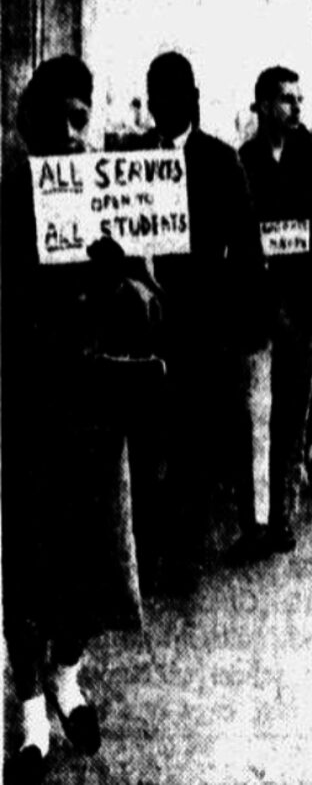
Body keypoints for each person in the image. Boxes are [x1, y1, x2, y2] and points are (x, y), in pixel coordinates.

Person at [2, 57, 162, 784]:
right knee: (30, 564)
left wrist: (118, 269)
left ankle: (68, 679)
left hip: (95, 410)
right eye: (61, 118)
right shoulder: (7, 193)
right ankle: (31, 709)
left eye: (82, 119)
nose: (74, 134)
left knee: (95, 559)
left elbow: (152, 306)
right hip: (29, 409)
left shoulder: (107, 194)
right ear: (34, 119)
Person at [131, 51, 266, 592]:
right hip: (145, 324)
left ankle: (183, 555)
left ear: (192, 98)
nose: (162, 105)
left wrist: (242, 320)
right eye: (154, 94)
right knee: (148, 440)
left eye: (172, 94)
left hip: (203, 327)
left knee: (193, 444)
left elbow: (248, 245)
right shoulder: (133, 160)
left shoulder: (219, 160)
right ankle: (148, 550)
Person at [230, 67, 312, 560]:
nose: (295, 108)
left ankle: (284, 517)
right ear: (260, 104)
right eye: (284, 99)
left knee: (293, 417)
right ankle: (253, 522)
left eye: (300, 99)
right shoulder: (242, 162)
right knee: (254, 417)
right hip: (257, 309)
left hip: (303, 307)